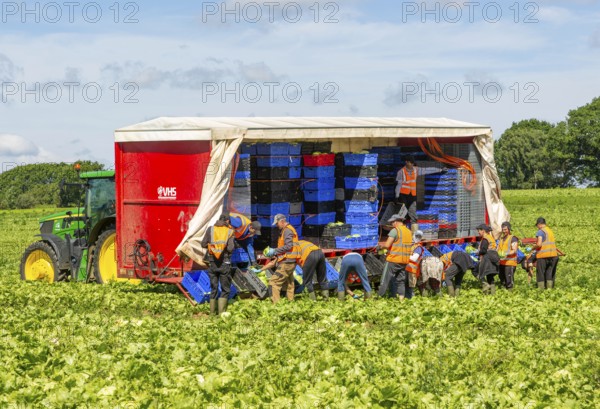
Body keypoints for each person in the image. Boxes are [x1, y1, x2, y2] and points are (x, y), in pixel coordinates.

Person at [395, 155, 446, 234]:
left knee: (413, 215)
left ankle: (414, 235)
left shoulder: (416, 170)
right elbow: (398, 184)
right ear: (406, 162)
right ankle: (401, 233)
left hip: (412, 196)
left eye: (413, 163)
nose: (412, 165)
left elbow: (427, 170)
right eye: (410, 163)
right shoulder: (401, 172)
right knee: (402, 214)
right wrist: (397, 196)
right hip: (403, 196)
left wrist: (440, 170)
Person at [201, 213, 235, 315]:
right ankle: (221, 313)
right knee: (225, 289)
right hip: (224, 263)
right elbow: (230, 248)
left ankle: (212, 314)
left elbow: (203, 244)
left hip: (212, 263)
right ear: (227, 221)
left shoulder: (210, 230)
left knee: (214, 288)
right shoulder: (230, 232)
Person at [264, 214, 299, 303]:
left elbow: (288, 246)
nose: (277, 225)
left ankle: (276, 305)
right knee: (289, 284)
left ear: (282, 221)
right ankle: (291, 303)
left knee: (273, 283)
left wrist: (275, 250)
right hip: (290, 260)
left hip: (287, 261)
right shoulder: (287, 230)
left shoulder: (287, 231)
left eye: (277, 223)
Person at [381, 209, 413, 300]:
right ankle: (401, 300)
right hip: (404, 261)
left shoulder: (395, 231)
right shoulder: (408, 231)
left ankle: (380, 297)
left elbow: (387, 245)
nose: (391, 225)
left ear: (395, 222)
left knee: (385, 280)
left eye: (391, 223)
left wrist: (380, 247)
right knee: (401, 281)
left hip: (393, 260)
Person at [534, 217, 559, 289]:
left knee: (540, 273)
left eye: (537, 226)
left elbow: (539, 244)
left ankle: (541, 290)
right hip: (553, 255)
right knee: (549, 273)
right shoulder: (549, 231)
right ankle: (549, 289)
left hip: (543, 255)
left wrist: (533, 248)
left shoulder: (540, 232)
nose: (537, 227)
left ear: (539, 224)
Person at [476, 223, 500, 295]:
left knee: (483, 274)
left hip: (488, 259)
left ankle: (486, 291)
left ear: (483, 231)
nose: (478, 232)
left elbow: (483, 250)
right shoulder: (490, 237)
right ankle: (493, 294)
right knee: (490, 276)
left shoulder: (485, 239)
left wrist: (478, 253)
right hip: (494, 258)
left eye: (479, 231)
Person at [498, 221, 519, 290]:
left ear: (509, 229)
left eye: (505, 229)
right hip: (502, 262)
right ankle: (504, 292)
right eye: (503, 229)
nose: (504, 231)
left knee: (508, 280)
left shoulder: (513, 238)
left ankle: (510, 293)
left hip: (510, 263)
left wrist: (505, 253)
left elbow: (514, 250)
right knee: (502, 278)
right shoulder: (501, 239)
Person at [406, 230, 426, 295]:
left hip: (412, 270)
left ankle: (412, 300)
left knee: (410, 288)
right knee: (405, 286)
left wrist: (403, 256)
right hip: (406, 268)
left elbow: (414, 259)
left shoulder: (418, 247)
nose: (417, 238)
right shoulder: (411, 245)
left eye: (419, 237)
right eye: (416, 236)